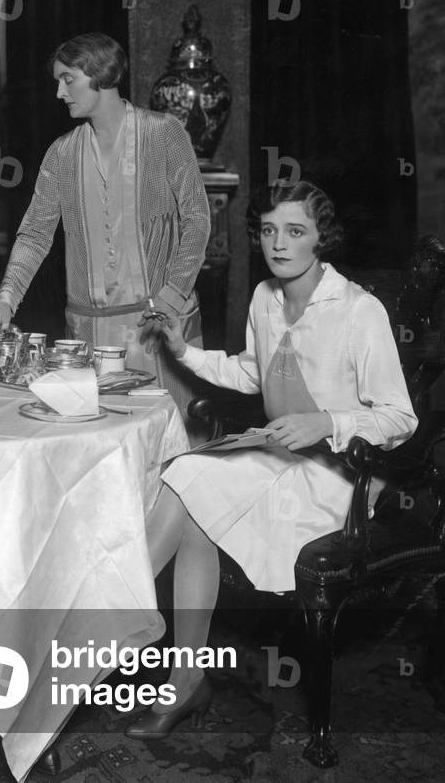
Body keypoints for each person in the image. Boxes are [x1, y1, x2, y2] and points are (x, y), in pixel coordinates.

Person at [125, 179, 417, 739]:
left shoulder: (360, 311)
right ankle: (182, 675)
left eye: (295, 231)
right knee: (186, 477)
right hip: (275, 454)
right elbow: (251, 373)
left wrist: (328, 423)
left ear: (320, 239)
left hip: (337, 480)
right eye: (267, 230)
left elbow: (401, 419)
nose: (278, 244)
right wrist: (183, 352)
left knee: (193, 500)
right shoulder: (265, 298)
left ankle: (113, 625)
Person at [0, 32, 210, 410]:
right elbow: (35, 235)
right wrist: (5, 301)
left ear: (100, 74)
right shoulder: (61, 154)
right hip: (90, 336)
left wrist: (171, 299)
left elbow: (198, 219)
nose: (59, 92)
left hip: (161, 329)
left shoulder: (164, 133)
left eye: (68, 78)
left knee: (173, 448)